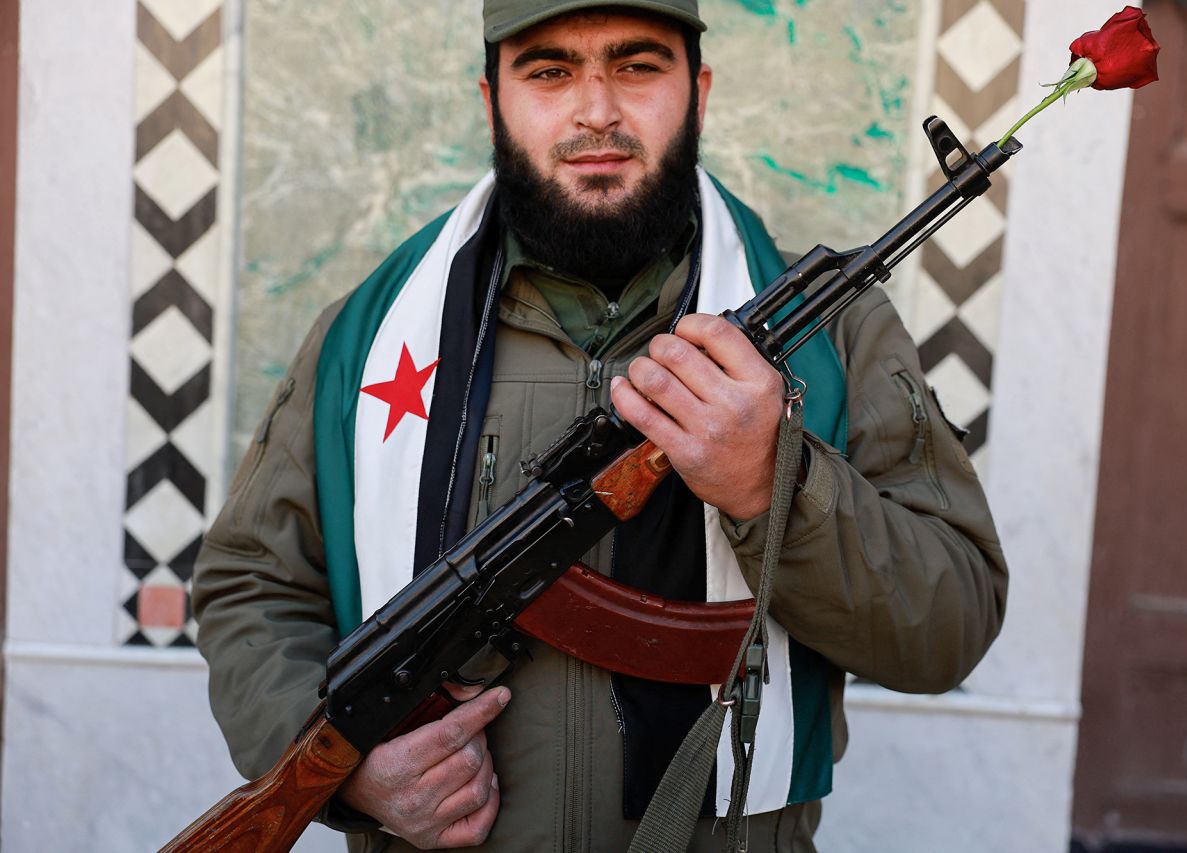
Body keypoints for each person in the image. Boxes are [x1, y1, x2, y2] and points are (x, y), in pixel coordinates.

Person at [192, 1, 1009, 850]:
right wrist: (349, 772)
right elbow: (251, 585)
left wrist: (777, 485)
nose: (596, 112)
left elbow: (949, 626)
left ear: (699, 91)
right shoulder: (369, 339)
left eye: (637, 66)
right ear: (490, 101)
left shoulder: (832, 337)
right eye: (549, 71)